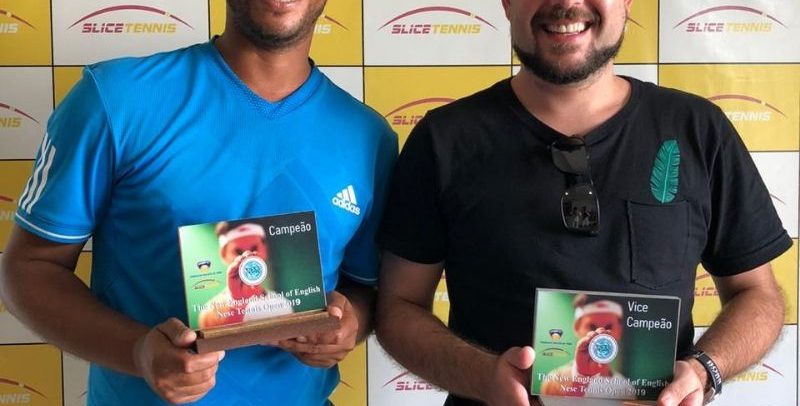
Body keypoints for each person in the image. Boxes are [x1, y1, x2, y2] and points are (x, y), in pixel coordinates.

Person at [375, 1, 788, 406]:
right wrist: (485, 378)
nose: (566, 3)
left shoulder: (698, 129)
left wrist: (704, 370)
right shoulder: (444, 139)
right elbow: (398, 306)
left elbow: (758, 294)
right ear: (506, 3)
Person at [0, 0, 397, 404]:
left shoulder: (369, 137)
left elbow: (364, 289)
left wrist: (350, 323)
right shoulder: (116, 98)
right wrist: (138, 352)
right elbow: (28, 268)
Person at [198, 222, 293, 328]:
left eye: (254, 249)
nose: (248, 257)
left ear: (265, 250)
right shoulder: (209, 311)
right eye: (238, 252)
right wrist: (237, 303)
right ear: (224, 255)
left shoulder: (283, 304)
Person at [539, 295, 634, 399]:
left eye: (609, 327)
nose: (600, 335)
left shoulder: (626, 389)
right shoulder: (555, 380)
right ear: (577, 328)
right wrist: (581, 377)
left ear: (619, 330)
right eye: (592, 327)